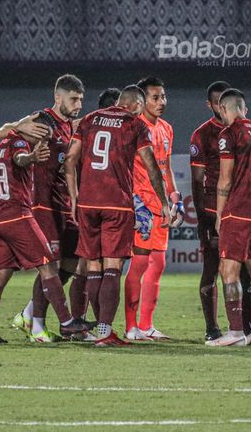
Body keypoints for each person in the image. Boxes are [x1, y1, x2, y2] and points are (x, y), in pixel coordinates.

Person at [65, 85, 171, 347]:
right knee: (112, 268)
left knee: (93, 267)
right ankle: (104, 331)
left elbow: (69, 159)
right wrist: (164, 202)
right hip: (117, 204)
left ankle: (94, 327)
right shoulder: (134, 124)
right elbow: (152, 166)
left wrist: (74, 195)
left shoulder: (89, 120)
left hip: (88, 203)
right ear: (136, 104)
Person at [0, 74, 92, 342]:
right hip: (42, 204)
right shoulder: (42, 120)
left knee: (70, 264)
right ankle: (36, 324)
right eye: (73, 99)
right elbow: (3, 131)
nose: (78, 104)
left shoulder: (72, 126)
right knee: (48, 264)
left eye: (81, 99)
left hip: (64, 205)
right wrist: (16, 125)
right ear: (58, 97)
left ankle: (27, 313)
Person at [0, 122, 83, 344]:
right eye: (41, 135)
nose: (43, 140)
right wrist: (32, 157)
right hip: (17, 214)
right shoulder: (19, 142)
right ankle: (66, 322)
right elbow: (20, 159)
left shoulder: (2, 143)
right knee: (48, 265)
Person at [207, 89, 251, 347]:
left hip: (240, 210)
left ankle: (235, 332)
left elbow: (225, 179)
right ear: (244, 108)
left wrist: (220, 214)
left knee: (228, 269)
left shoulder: (230, 133)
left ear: (224, 109)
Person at [190, 80, 251, 341]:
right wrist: (201, 217)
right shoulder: (203, 134)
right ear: (210, 105)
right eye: (216, 102)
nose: (221, 106)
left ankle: (246, 327)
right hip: (211, 210)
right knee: (212, 269)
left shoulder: (244, 131)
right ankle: (211, 327)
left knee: (246, 273)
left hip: (241, 209)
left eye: (223, 102)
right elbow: (197, 180)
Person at [123, 76, 184, 341]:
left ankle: (146, 325)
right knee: (138, 265)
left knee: (157, 264)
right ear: (142, 100)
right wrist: (134, 201)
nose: (161, 102)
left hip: (161, 205)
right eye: (155, 97)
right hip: (142, 207)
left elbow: (165, 167)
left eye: (163, 97)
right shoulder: (134, 127)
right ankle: (130, 326)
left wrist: (175, 198)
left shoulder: (167, 128)